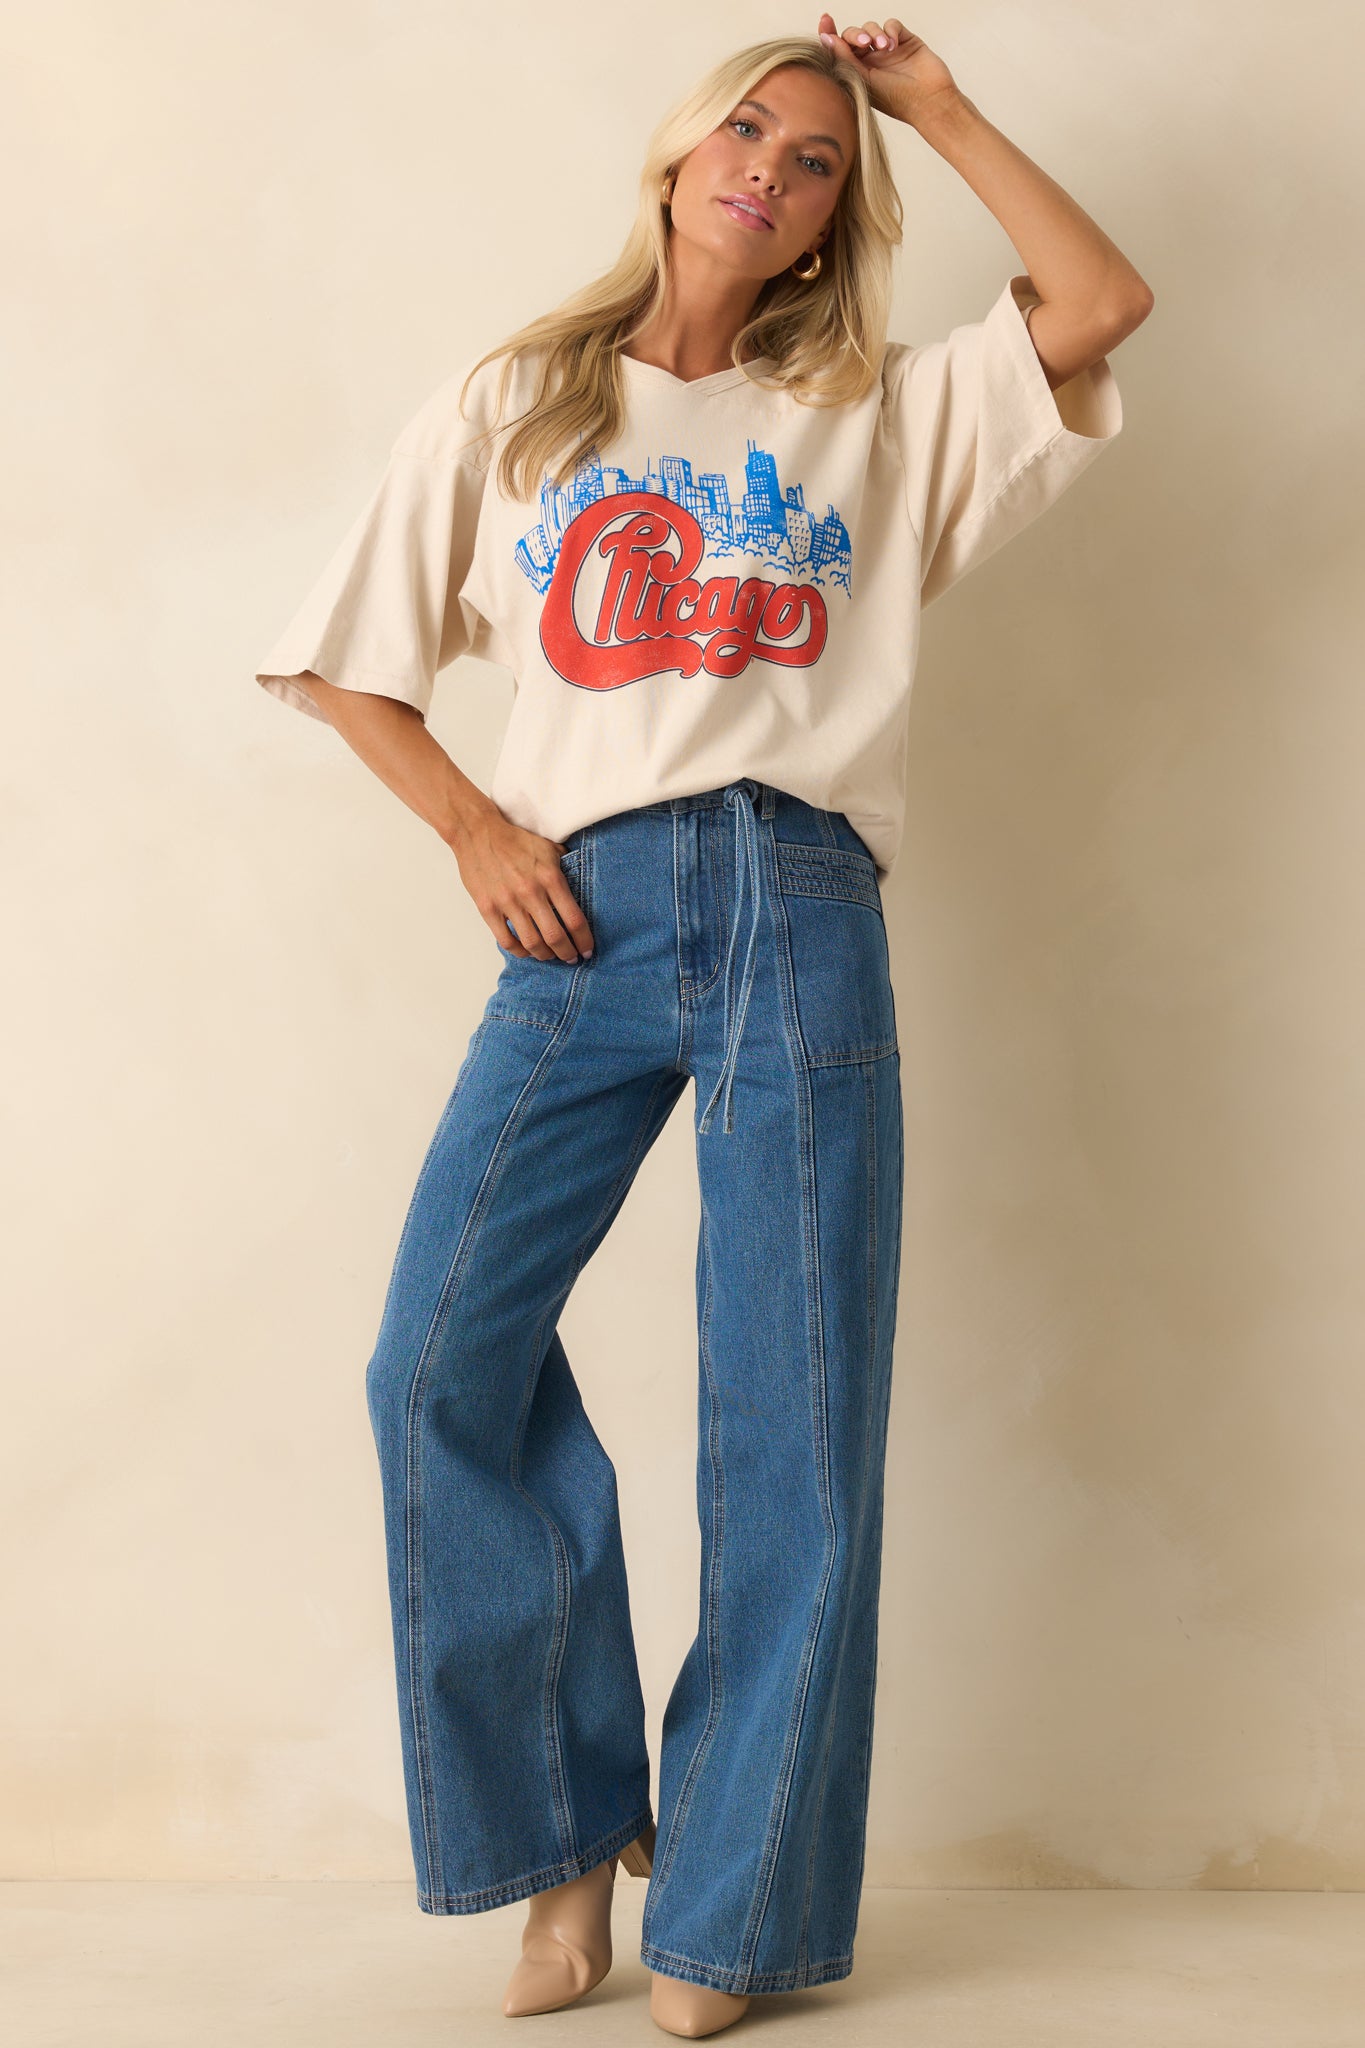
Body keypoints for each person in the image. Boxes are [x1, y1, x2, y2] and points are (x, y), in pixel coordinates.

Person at [252, 18, 1150, 2038]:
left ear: (839, 217)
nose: (769, 164)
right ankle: (565, 1837)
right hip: (577, 915)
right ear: (674, 153)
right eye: (744, 127)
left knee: (792, 1433)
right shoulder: (515, 403)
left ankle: (730, 1915)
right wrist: (476, 825)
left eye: (816, 159)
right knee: (434, 1363)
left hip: (802, 910)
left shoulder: (880, 416)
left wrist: (923, 97)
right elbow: (344, 662)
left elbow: (1095, 301)